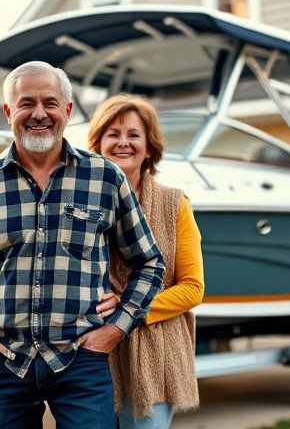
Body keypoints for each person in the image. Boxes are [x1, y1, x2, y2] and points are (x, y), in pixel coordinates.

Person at [0, 61, 166, 429]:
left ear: (68, 112)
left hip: (82, 362)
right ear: (9, 111)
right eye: (26, 103)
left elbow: (150, 263)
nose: (39, 114)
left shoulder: (105, 178)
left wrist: (116, 328)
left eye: (51, 103)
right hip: (4, 365)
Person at [88, 94, 205, 429]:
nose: (123, 142)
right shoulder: (80, 201)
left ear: (149, 147)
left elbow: (192, 289)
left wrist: (129, 307)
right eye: (113, 134)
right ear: (97, 144)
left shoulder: (174, 204)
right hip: (93, 349)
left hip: (156, 350)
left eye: (133, 135)